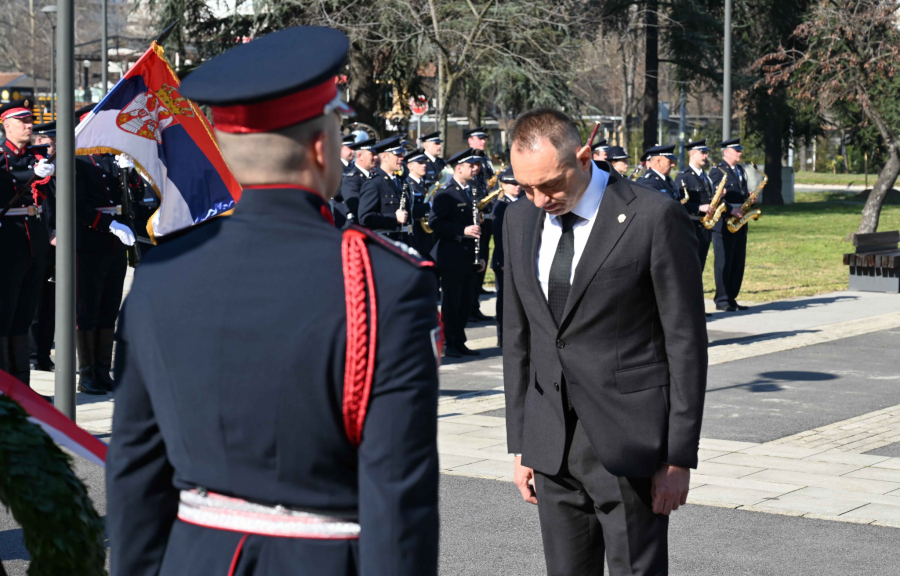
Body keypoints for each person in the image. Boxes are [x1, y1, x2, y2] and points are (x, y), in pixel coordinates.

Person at [106, 26, 440, 576]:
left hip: (193, 559)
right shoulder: (386, 281)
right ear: (318, 145)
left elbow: (135, 473)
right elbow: (398, 493)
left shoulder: (161, 271)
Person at [503, 108, 707, 576]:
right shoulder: (518, 222)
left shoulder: (654, 217)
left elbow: (685, 344)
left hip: (629, 445)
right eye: (527, 187)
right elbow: (518, 339)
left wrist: (678, 456)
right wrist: (522, 444)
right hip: (551, 444)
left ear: (585, 155)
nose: (538, 199)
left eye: (550, 184)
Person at [73, 104, 140, 395]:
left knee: (108, 308)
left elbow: (134, 195)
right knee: (87, 309)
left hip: (116, 244)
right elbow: (77, 206)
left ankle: (103, 370)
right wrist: (108, 225)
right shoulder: (76, 160)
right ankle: (86, 373)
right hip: (90, 243)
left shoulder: (112, 158)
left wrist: (132, 172)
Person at [0, 99, 53, 387]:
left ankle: (22, 388)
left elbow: (45, 195)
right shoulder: (2, 156)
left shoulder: (37, 155)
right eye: (22, 120)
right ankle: (4, 386)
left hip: (34, 241)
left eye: (30, 119)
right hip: (8, 242)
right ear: (7, 125)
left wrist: (46, 173)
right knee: (5, 314)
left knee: (24, 314)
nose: (29, 124)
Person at [428, 148, 484, 358]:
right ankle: (449, 343)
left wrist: (481, 255)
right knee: (452, 302)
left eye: (476, 165)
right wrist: (462, 230)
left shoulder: (472, 190)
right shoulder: (445, 192)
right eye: (471, 166)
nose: (475, 169)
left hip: (469, 255)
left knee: (466, 301)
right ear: (459, 168)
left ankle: (459, 341)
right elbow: (435, 223)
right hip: (451, 255)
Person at [709, 138, 750, 312]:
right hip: (724, 222)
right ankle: (722, 299)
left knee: (737, 261)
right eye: (736, 151)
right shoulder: (718, 171)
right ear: (726, 153)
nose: (740, 153)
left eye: (740, 150)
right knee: (724, 261)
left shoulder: (740, 170)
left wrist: (748, 198)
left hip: (739, 222)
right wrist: (729, 210)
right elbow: (714, 197)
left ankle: (732, 298)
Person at [29, 121, 57, 372]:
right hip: (42, 240)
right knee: (37, 303)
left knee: (51, 304)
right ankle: (34, 352)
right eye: (52, 142)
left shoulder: (64, 164)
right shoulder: (36, 165)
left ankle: (43, 353)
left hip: (62, 241)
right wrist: (50, 232)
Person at [490, 166, 521, 347]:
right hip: (505, 259)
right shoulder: (501, 206)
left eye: (517, 182)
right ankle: (502, 335)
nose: (515, 186)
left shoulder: (523, 201)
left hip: (518, 258)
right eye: (511, 183)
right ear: (503, 185)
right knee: (504, 300)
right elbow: (499, 236)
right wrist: (501, 260)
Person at [673, 139, 714, 275]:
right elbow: (678, 203)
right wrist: (698, 208)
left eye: (706, 153)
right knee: (690, 267)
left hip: (706, 228)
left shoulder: (706, 177)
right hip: (692, 226)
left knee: (700, 267)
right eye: (702, 153)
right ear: (693, 154)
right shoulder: (683, 177)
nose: (705, 156)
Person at [358, 135, 408, 240]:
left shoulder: (401, 181)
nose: (401, 158)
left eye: (402, 154)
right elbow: (365, 218)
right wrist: (394, 218)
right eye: (397, 155)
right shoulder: (373, 183)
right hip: (385, 242)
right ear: (384, 157)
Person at [334, 136, 376, 228]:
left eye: (354, 148)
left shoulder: (354, 167)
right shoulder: (335, 166)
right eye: (350, 148)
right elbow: (335, 191)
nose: (353, 151)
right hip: (342, 213)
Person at [404, 147, 436, 258]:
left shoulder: (428, 185)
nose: (424, 165)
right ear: (410, 166)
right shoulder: (407, 185)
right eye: (420, 163)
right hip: (416, 234)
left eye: (425, 162)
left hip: (430, 235)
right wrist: (430, 205)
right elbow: (410, 209)